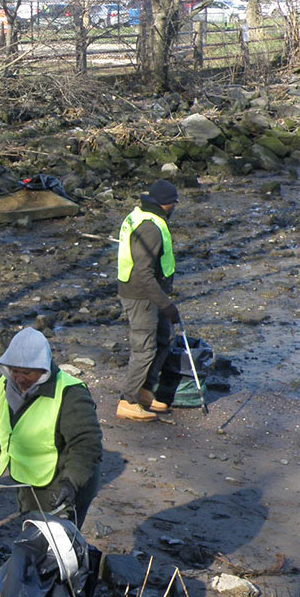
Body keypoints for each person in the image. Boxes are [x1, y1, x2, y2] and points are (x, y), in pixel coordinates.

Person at [0, 327, 102, 527]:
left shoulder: (70, 394)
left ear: (42, 368)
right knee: (31, 530)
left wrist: (72, 482)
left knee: (58, 543)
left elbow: (86, 444)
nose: (19, 378)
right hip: (28, 477)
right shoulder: (5, 384)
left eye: (26, 372)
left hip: (63, 480)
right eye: (14, 371)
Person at [116, 179, 181, 422]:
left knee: (165, 338)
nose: (175, 207)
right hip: (141, 295)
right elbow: (143, 273)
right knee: (144, 349)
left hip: (149, 292)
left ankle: (145, 390)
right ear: (166, 204)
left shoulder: (141, 215)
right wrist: (166, 304)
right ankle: (128, 401)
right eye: (173, 203)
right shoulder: (151, 229)